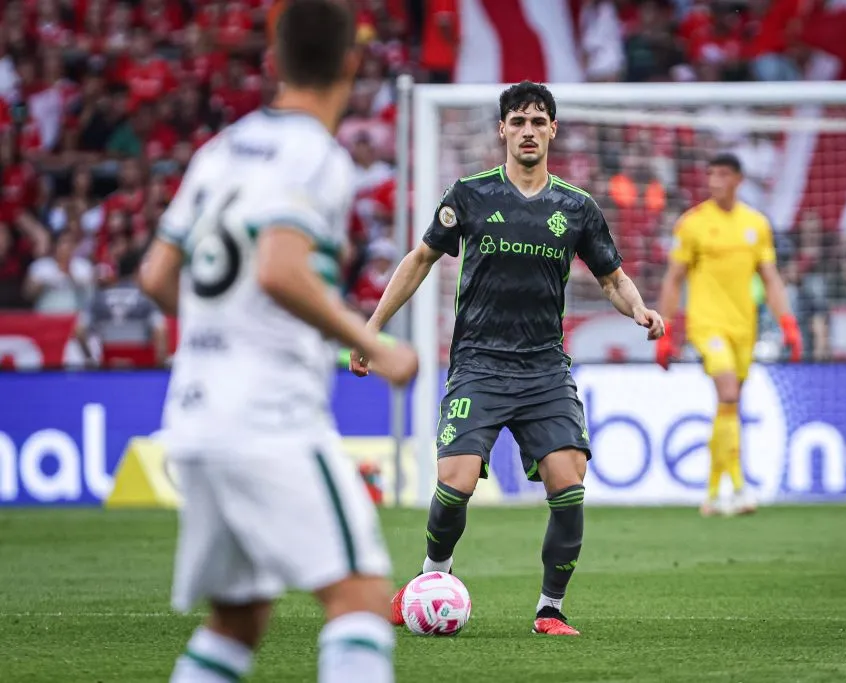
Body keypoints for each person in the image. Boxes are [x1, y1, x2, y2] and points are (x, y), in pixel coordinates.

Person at [138, 1, 418, 681]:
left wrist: (221, 332)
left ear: (273, 57)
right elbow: (279, 268)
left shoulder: (220, 149)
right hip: (269, 418)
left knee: (239, 617)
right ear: (353, 63)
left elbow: (155, 275)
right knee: (358, 594)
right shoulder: (316, 155)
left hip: (197, 412)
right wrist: (375, 345)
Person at [351, 81, 665, 636]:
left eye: (537, 122)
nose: (527, 131)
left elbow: (613, 279)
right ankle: (432, 576)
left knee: (568, 485)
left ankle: (550, 608)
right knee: (456, 482)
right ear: (502, 130)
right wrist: (372, 331)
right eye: (517, 121)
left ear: (552, 131)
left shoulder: (576, 207)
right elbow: (420, 259)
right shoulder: (471, 195)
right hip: (479, 362)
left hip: (544, 367)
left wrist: (638, 309)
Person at [655, 152, 802, 517]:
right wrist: (666, 330)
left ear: (738, 179)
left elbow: (770, 278)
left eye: (722, 174)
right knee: (728, 392)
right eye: (711, 174)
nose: (714, 181)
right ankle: (737, 488)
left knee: (729, 405)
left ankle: (713, 494)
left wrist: (788, 323)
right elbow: (674, 279)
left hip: (744, 329)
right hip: (707, 327)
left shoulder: (756, 224)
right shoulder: (692, 224)